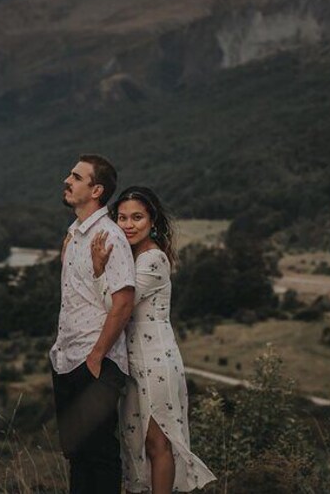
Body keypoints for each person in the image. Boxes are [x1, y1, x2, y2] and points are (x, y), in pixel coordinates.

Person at [91, 186, 216, 494]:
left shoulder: (153, 259)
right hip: (131, 361)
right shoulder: (128, 257)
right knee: (135, 440)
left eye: (137, 217)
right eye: (122, 217)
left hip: (156, 359)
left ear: (152, 220)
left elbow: (114, 304)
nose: (129, 224)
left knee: (157, 442)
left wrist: (98, 270)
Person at [50, 154, 136, 494]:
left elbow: (124, 301)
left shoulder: (109, 236)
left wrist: (97, 357)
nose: (66, 180)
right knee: (77, 454)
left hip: (94, 361)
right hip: (67, 358)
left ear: (97, 189)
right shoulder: (74, 234)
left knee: (99, 455)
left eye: (76, 176)